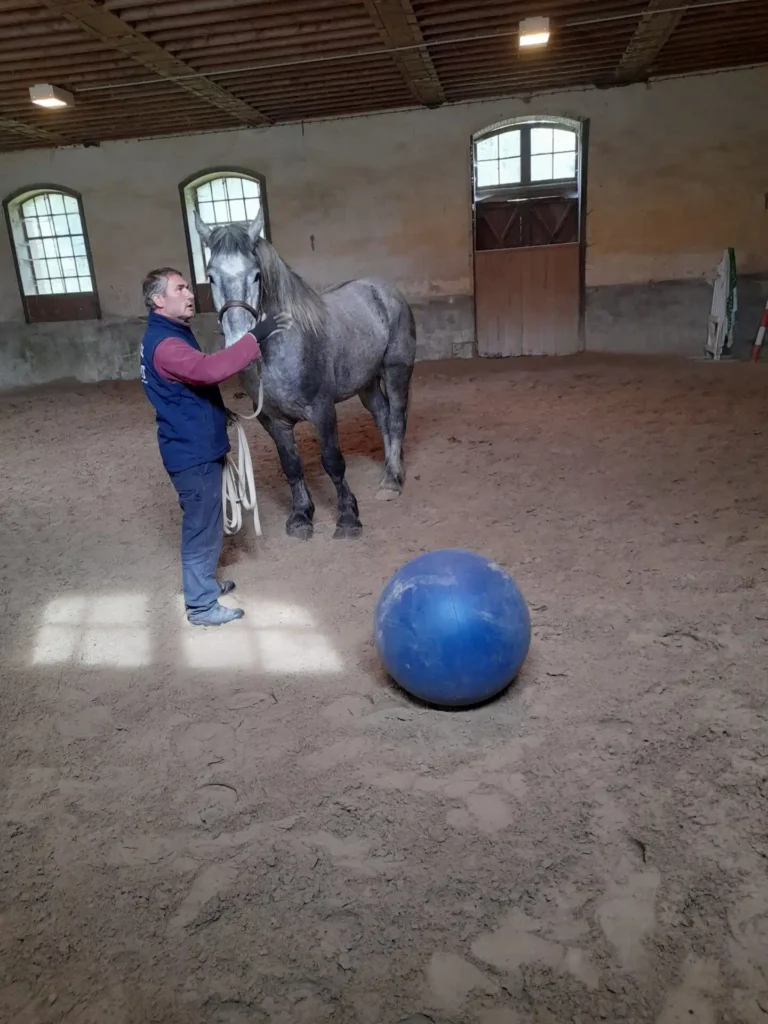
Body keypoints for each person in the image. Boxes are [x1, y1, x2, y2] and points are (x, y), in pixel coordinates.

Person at [139, 267, 289, 627]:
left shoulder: (168, 334)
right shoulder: (167, 345)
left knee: (208, 524)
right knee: (201, 528)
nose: (190, 294)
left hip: (193, 444)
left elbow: (191, 386)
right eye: (180, 288)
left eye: (189, 287)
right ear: (159, 300)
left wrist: (217, 412)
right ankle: (202, 606)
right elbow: (208, 371)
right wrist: (255, 338)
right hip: (193, 453)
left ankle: (204, 585)